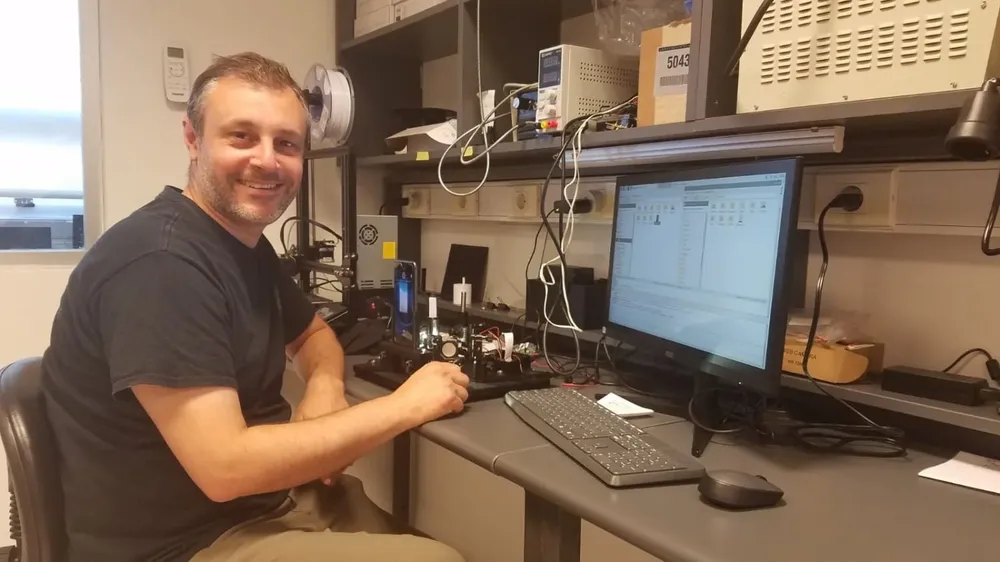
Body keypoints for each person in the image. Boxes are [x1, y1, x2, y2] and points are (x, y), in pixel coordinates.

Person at [40, 52, 470, 562]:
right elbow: (226, 470)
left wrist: (325, 386)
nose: (267, 160)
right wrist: (404, 406)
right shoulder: (162, 264)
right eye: (241, 136)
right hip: (186, 544)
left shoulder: (241, 244)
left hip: (264, 507)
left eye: (286, 143)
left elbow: (313, 336)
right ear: (193, 138)